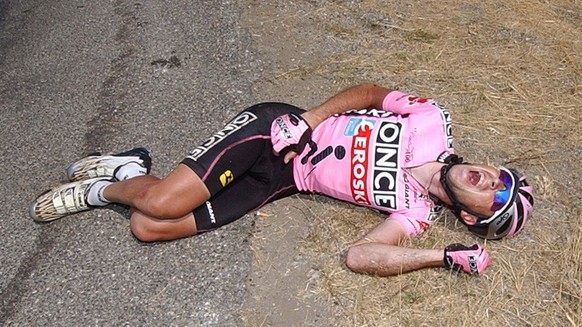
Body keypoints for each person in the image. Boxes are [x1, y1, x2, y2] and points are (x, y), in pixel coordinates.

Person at [29, 83, 534, 276]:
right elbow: (369, 91)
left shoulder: (417, 215)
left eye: (497, 194)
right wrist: (309, 119)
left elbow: (361, 256)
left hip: (282, 181)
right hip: (275, 131)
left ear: (469, 216)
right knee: (161, 204)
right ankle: (98, 191)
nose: (493, 179)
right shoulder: (432, 122)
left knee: (149, 228)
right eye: (502, 176)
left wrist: (438, 257)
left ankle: (126, 170)